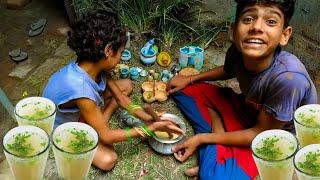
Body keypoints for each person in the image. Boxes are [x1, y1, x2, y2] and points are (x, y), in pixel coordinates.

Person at [167, 0, 317, 179]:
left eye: (270, 21)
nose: (256, 27)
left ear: (284, 35)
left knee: (215, 177)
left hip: (274, 138)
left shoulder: (288, 79)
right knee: (181, 90)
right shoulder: (239, 50)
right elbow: (227, 70)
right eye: (248, 19)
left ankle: (215, 141)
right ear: (233, 31)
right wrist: (190, 79)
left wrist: (202, 139)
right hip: (248, 111)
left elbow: (260, 133)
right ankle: (219, 133)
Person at [43, 10, 182, 171]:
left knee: (126, 86)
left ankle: (99, 121)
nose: (121, 58)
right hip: (64, 127)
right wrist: (147, 130)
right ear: (108, 50)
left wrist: (149, 118)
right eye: (121, 53)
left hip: (83, 107)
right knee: (108, 159)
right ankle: (99, 122)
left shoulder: (93, 63)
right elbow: (107, 137)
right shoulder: (81, 89)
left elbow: (122, 99)